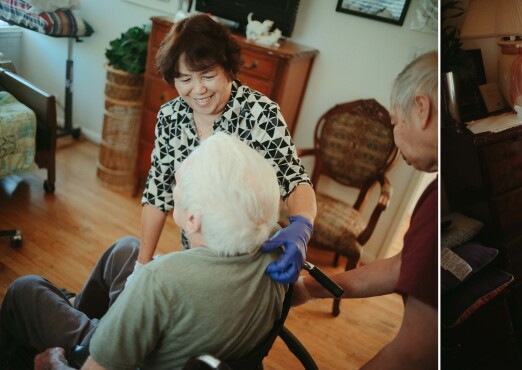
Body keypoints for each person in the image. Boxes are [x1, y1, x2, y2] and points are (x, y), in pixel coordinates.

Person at [3, 133, 288, 369]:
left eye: (183, 176)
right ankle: (83, 319)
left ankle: (75, 344)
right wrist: (317, 288)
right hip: (199, 340)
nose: (176, 173)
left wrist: (55, 366)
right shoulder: (275, 246)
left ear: (193, 219)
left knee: (25, 289)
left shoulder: (161, 279)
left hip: (123, 362)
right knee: (127, 250)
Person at [273, 51, 438, 369]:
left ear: (421, 108)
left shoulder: (436, 200)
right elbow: (399, 267)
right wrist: (308, 289)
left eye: (395, 121)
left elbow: (411, 355)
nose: (394, 133)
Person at [140, 13, 315, 283]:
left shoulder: (260, 114)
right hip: (198, 251)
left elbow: (293, 179)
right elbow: (157, 193)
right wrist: (141, 266)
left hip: (252, 257)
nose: (198, 90)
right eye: (185, 80)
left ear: (228, 69)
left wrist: (302, 225)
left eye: (208, 75)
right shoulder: (170, 116)